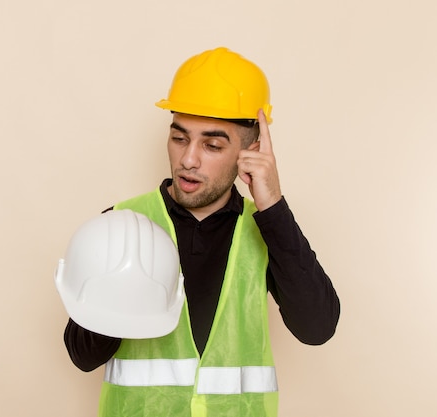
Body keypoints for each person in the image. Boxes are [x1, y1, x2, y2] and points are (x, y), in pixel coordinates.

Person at [63, 46, 340, 417]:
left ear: (251, 150)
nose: (188, 160)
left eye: (211, 145)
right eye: (179, 138)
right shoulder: (123, 222)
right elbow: (82, 355)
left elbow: (317, 327)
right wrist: (125, 273)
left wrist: (272, 205)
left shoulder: (266, 229)